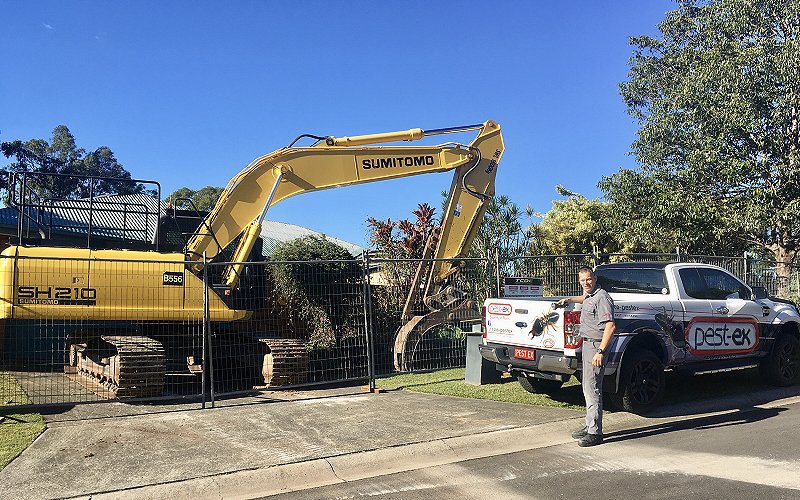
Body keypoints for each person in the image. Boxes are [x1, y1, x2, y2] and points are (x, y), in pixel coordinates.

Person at [556, 266, 616, 447]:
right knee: (586, 386)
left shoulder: (602, 297)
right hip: (587, 344)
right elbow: (584, 298)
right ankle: (590, 424)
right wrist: (569, 299)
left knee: (592, 388)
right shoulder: (590, 296)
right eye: (582, 280)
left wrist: (601, 351)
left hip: (596, 346)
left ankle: (595, 433)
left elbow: (610, 326)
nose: (586, 283)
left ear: (595, 278)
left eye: (588, 279)